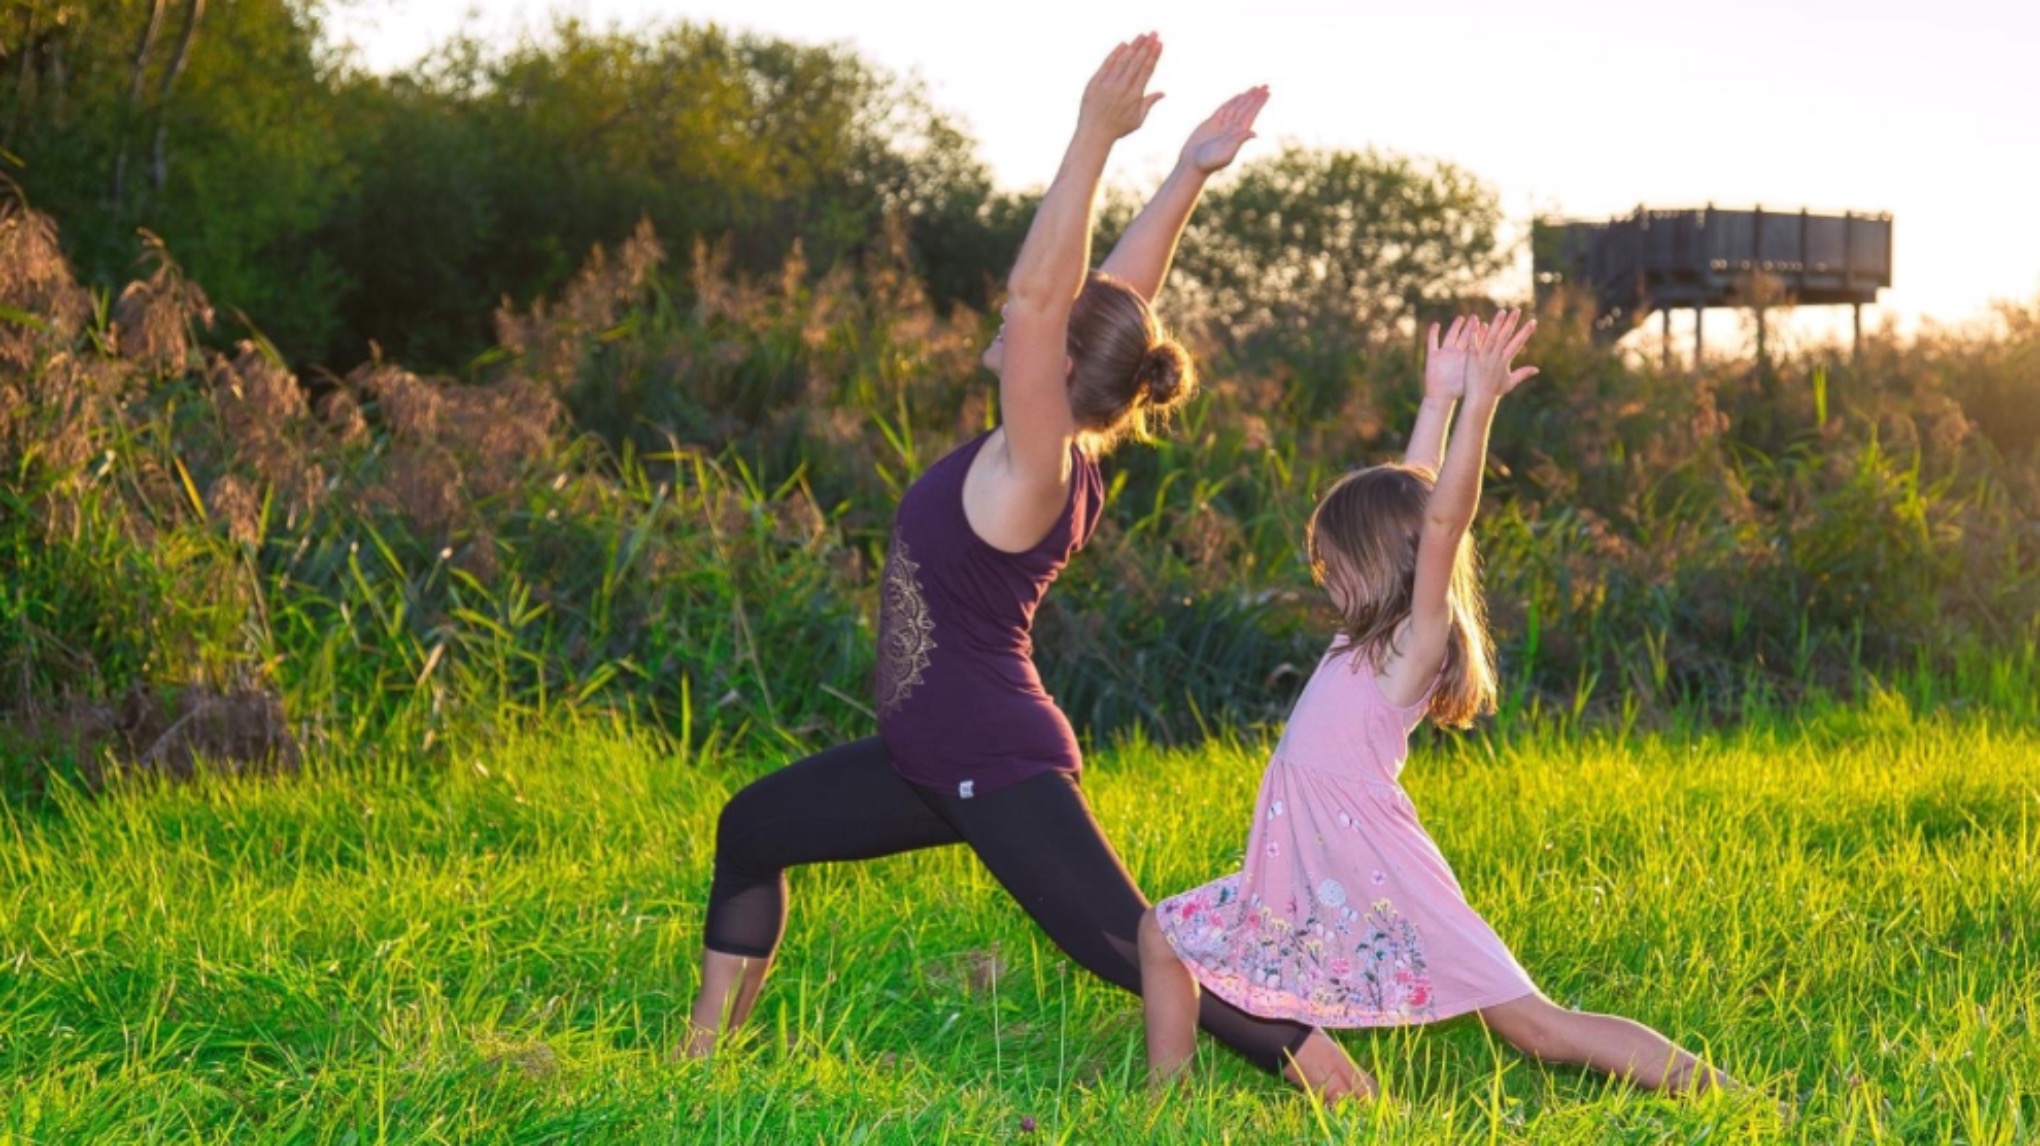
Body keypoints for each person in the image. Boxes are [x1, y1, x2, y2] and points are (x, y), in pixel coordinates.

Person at [684, 35, 1364, 1092]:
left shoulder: (1032, 466)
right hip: (931, 756)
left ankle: (1331, 1076)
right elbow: (1106, 306)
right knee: (752, 828)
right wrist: (1184, 175)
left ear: (1055, 370)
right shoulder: (1065, 439)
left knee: (1127, 947)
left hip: (987, 757)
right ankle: (700, 1061)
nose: (1017, 313)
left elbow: (1044, 304)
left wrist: (1092, 137)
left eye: (1038, 324)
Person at [1137, 310, 1737, 1101]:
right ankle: (1163, 1103)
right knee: (1162, 935)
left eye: (1333, 560)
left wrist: (1480, 407)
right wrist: (1435, 400)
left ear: (1378, 563)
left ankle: (1729, 1094)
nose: (1324, 575)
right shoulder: (1361, 637)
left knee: (1538, 1027)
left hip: (1381, 874)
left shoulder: (1409, 647)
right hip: (1302, 876)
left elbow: (1442, 520)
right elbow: (1414, 500)